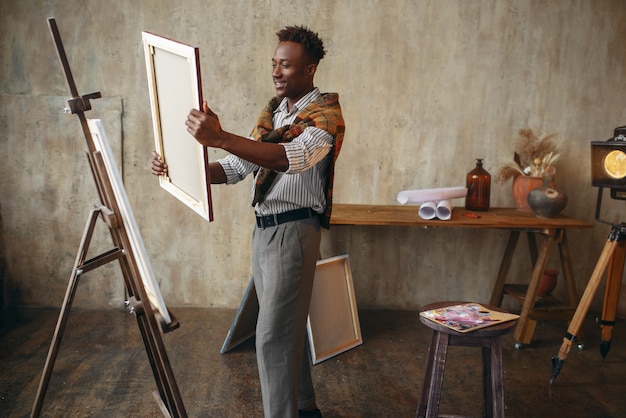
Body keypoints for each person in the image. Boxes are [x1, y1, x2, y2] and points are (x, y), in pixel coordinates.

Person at [151, 25, 345, 418]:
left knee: (273, 337)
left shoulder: (325, 116)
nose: (276, 72)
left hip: (294, 230)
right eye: (274, 64)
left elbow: (289, 159)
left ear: (309, 70)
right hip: (265, 231)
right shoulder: (274, 112)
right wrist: (182, 169)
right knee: (286, 330)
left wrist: (221, 136)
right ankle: (305, 408)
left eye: (286, 66)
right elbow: (240, 165)